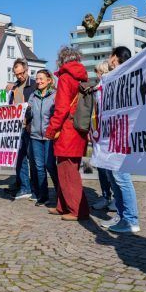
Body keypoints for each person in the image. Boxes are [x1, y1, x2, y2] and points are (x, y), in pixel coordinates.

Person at [44, 47, 91, 221]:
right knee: (67, 169)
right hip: (78, 128)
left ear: (62, 60)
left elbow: (62, 108)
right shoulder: (82, 77)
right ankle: (63, 205)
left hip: (67, 131)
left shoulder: (65, 77)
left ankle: (78, 210)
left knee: (68, 171)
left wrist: (51, 129)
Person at [100, 46, 141, 233]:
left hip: (122, 135)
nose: (109, 59)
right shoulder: (112, 77)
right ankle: (121, 215)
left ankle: (131, 219)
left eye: (111, 56)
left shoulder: (127, 76)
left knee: (121, 177)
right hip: (111, 135)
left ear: (115, 57)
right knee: (112, 176)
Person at [5, 58, 37, 200]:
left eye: (21, 73)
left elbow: (37, 106)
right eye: (16, 74)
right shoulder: (14, 87)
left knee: (33, 160)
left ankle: (36, 189)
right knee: (20, 159)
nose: (19, 76)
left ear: (26, 70)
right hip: (17, 128)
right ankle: (24, 187)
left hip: (30, 127)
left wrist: (31, 121)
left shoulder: (34, 85)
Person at [28, 69, 58, 207]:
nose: (38, 81)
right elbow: (28, 113)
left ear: (49, 80)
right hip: (35, 136)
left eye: (41, 79)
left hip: (49, 136)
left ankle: (60, 194)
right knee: (39, 167)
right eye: (37, 79)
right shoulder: (33, 96)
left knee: (50, 165)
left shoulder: (55, 95)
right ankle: (43, 196)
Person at [90, 62, 115, 211]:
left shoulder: (112, 88)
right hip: (98, 133)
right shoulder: (95, 90)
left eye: (100, 72)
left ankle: (116, 198)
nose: (98, 75)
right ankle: (105, 196)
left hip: (111, 134)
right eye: (97, 72)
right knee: (100, 167)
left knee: (111, 168)